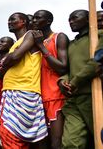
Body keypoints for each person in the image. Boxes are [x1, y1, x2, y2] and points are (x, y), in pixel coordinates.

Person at [0, 12, 47, 147]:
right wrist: (8, 61)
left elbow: (14, 58)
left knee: (9, 134)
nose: (9, 22)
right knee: (9, 135)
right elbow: (1, 71)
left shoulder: (30, 35)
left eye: (13, 19)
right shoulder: (17, 43)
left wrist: (7, 61)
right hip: (12, 91)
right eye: (8, 20)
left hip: (22, 90)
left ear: (24, 21)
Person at [59, 10, 102, 148]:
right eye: (69, 19)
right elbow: (67, 69)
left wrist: (75, 81)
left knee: (99, 139)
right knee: (71, 142)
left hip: (94, 95)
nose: (71, 22)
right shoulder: (71, 44)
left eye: (75, 18)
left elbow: (96, 63)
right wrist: (62, 81)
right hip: (73, 99)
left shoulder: (99, 36)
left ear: (89, 19)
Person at [32, 10, 69, 149]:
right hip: (38, 96)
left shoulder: (59, 37)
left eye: (38, 18)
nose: (34, 21)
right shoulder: (33, 43)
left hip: (55, 96)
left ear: (48, 21)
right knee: (42, 141)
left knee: (56, 140)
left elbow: (63, 67)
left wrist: (41, 46)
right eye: (33, 18)